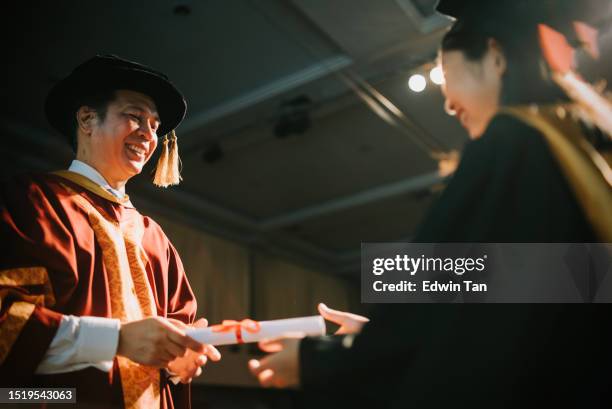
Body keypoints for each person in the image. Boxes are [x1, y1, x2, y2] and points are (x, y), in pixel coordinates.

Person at [248, 1, 612, 407]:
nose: (448, 104)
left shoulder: (514, 142)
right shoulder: (583, 144)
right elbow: (530, 307)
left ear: (494, 56)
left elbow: (446, 328)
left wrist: (320, 359)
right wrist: (374, 333)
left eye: (447, 73)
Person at [0, 55, 221, 409]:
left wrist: (180, 362)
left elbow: (178, 337)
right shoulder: (33, 202)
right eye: (134, 116)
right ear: (87, 119)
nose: (149, 135)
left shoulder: (154, 237)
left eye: (154, 124)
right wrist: (116, 340)